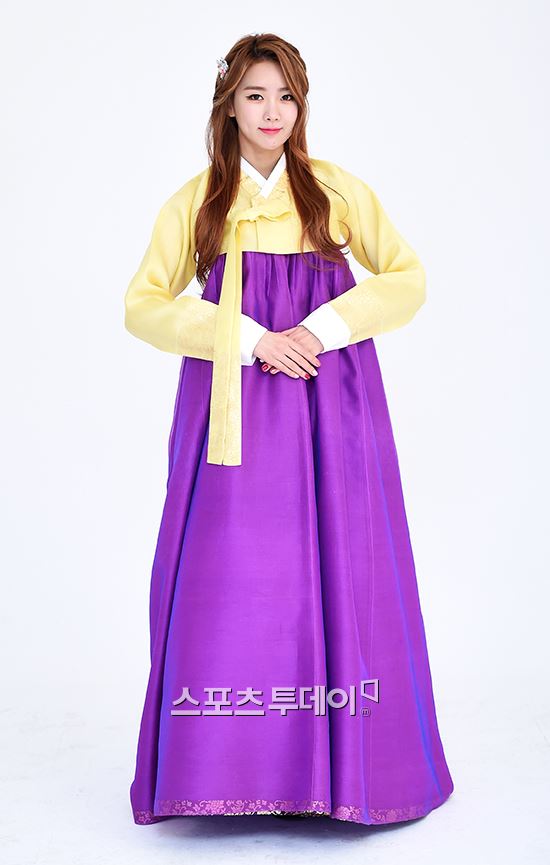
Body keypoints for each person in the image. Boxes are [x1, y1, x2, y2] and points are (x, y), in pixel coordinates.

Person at [124, 32, 454, 826]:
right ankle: (225, 768)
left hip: (330, 397)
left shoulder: (336, 192)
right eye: (254, 96)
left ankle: (349, 772)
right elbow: (143, 305)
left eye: (285, 97)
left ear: (301, 106)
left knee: (344, 562)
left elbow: (407, 278)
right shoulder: (199, 201)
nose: (271, 112)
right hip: (231, 408)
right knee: (232, 571)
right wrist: (248, 339)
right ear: (228, 106)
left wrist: (322, 327)